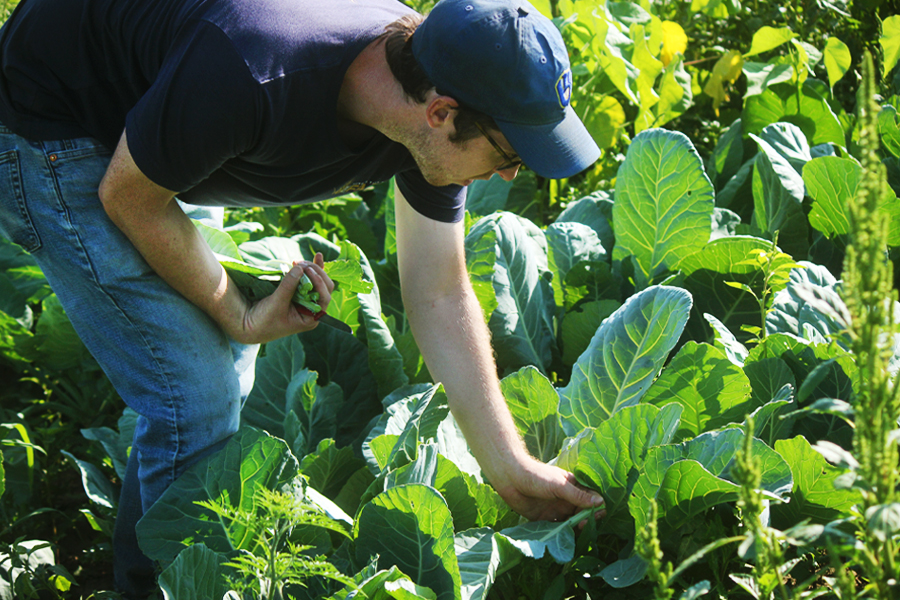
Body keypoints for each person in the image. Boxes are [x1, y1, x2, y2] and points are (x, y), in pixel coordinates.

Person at [0, 0, 604, 595]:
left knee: (228, 369)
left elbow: (440, 290)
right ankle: (154, 587)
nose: (507, 177)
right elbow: (130, 195)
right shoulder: (254, 74)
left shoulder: (424, 101)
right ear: (442, 113)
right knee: (196, 394)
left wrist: (510, 465)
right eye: (509, 154)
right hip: (54, 118)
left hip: (166, 113)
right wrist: (237, 313)